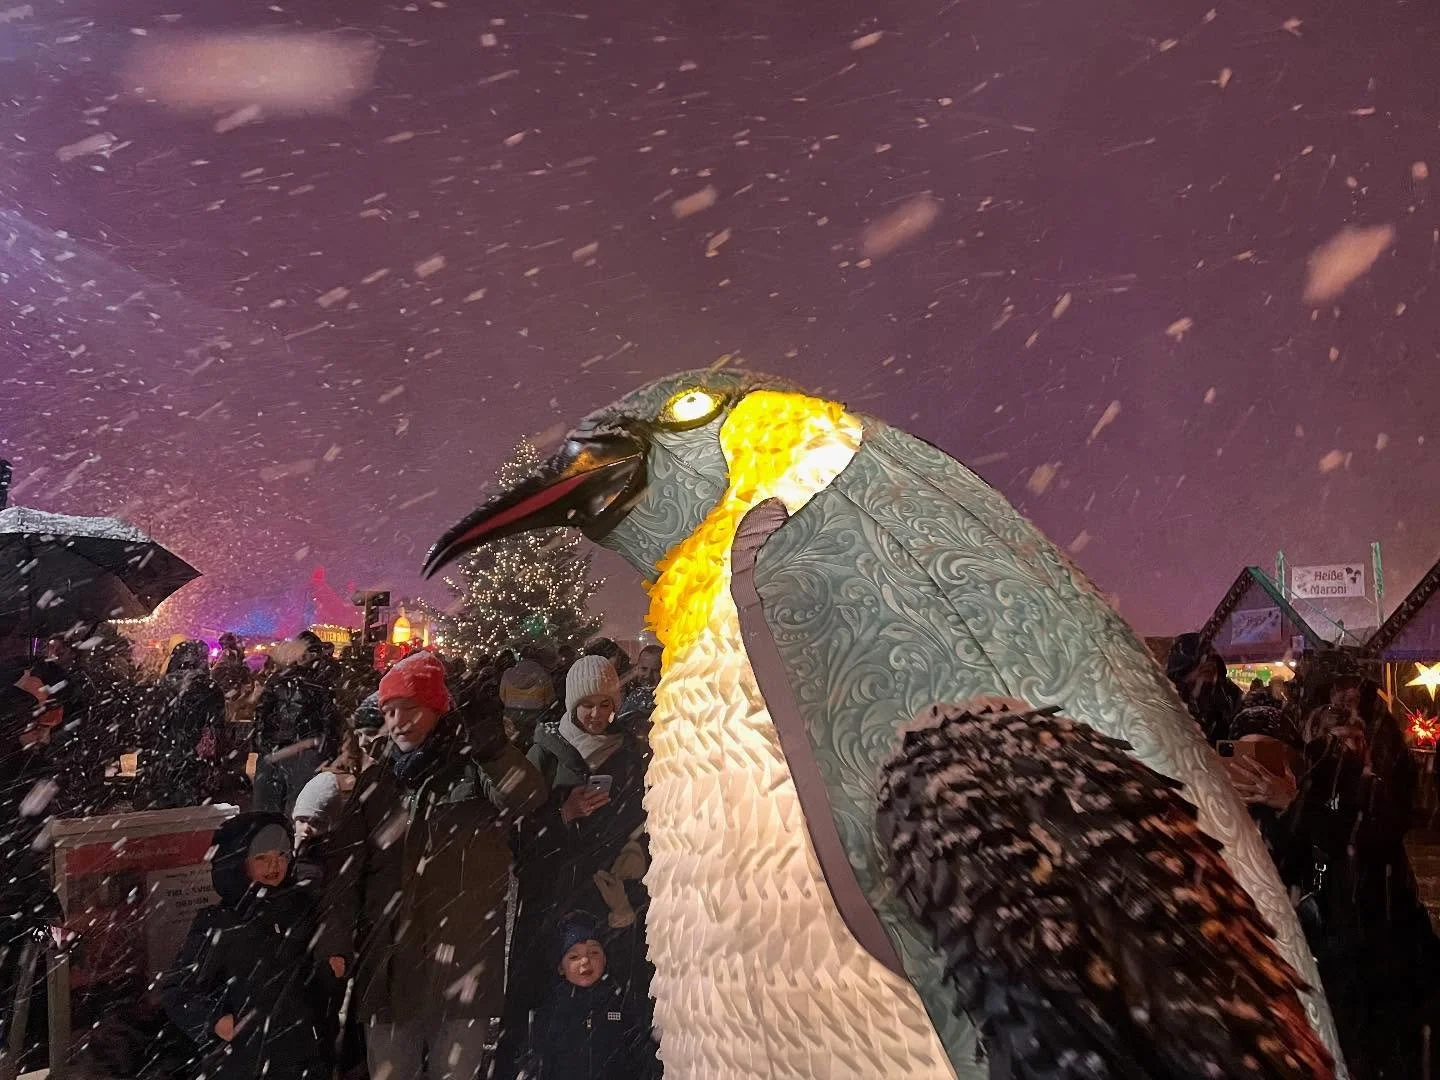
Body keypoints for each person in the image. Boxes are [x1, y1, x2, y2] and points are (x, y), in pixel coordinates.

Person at [320, 651, 546, 1080]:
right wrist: (334, 937)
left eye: (410, 709)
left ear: (436, 710)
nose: (398, 722)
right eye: (389, 712)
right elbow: (344, 870)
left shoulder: (474, 771)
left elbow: (528, 798)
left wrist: (494, 747)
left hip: (461, 961)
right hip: (388, 965)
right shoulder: (377, 783)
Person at [500, 656, 651, 1078]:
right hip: (551, 892)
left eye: (606, 704)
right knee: (544, 988)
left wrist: (636, 851)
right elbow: (516, 829)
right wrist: (562, 814)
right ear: (570, 703)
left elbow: (643, 817)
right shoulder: (545, 753)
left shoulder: (629, 755)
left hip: (608, 891)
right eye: (588, 704)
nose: (598, 714)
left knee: (608, 989)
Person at [159, 813, 332, 1080]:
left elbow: (314, 980)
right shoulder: (221, 923)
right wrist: (215, 1021)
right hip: (244, 1062)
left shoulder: (300, 907)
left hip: (301, 1056)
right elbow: (178, 990)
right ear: (239, 863)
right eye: (261, 858)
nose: (275, 865)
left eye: (282, 854)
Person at [520, 915, 661, 1080]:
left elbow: (640, 1054)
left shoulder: (620, 1002)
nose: (585, 961)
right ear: (561, 967)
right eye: (574, 957)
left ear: (605, 958)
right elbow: (539, 1063)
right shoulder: (552, 1010)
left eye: (593, 952)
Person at [252, 632, 342, 816]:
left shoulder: (283, 679)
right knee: (290, 808)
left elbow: (262, 714)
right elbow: (262, 714)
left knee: (275, 809)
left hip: (291, 751)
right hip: (292, 751)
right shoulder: (317, 682)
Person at [139, 640, 227, 809]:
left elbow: (145, 724)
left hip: (161, 759)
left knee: (162, 813)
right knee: (192, 815)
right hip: (194, 762)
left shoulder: (161, 685)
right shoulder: (209, 687)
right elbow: (217, 731)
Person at [1164, 632, 1241, 746]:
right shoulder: (1167, 696)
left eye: (1211, 657)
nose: (1209, 663)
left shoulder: (1230, 695)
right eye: (1201, 658)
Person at [499, 659, 558, 752]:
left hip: (512, 715)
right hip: (534, 717)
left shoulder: (507, 674)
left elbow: (502, 697)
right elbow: (550, 699)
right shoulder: (542, 675)